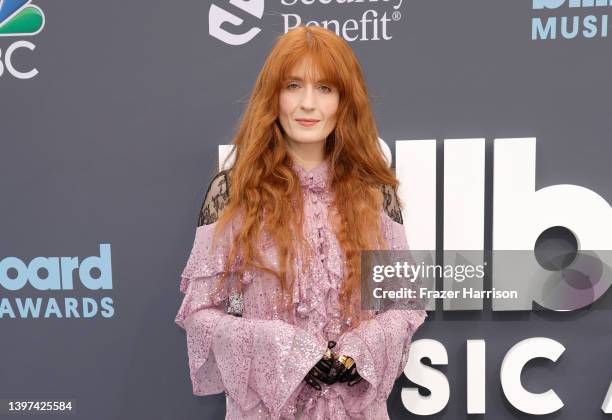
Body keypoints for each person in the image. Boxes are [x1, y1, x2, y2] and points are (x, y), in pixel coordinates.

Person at [174, 24, 427, 419]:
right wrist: (279, 348)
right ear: (273, 96)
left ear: (344, 101)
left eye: (325, 88)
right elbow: (203, 313)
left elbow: (403, 304)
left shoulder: (375, 195)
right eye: (293, 86)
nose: (308, 103)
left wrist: (360, 349)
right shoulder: (232, 194)